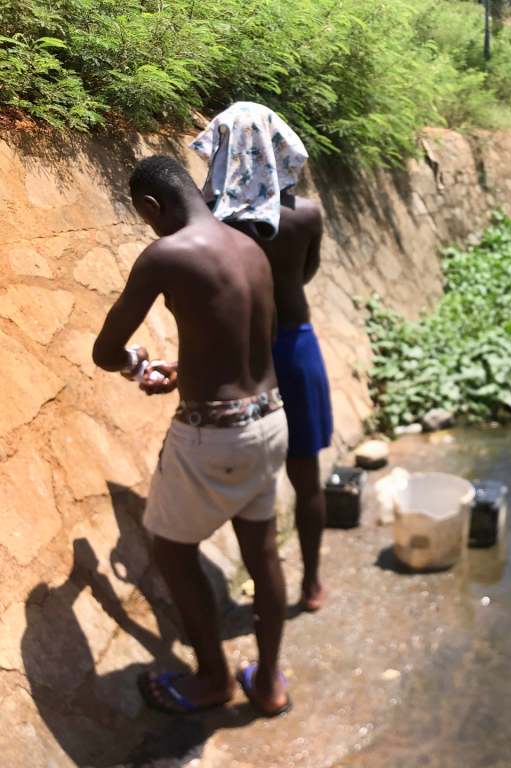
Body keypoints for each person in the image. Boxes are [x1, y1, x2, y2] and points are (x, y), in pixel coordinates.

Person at [92, 155, 291, 717]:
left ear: (153, 207)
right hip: (270, 418)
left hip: (214, 437)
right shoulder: (250, 248)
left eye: (145, 216)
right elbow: (251, 344)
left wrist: (136, 365)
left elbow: (104, 352)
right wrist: (186, 372)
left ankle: (212, 679)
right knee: (264, 555)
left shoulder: (166, 254)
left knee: (172, 552)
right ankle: (270, 682)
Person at [191, 103, 332, 613]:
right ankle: (312, 583)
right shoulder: (307, 215)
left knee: (248, 481)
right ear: (282, 151)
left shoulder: (212, 223)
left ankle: (263, 584)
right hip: (295, 347)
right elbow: (306, 275)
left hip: (240, 356)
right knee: (306, 472)